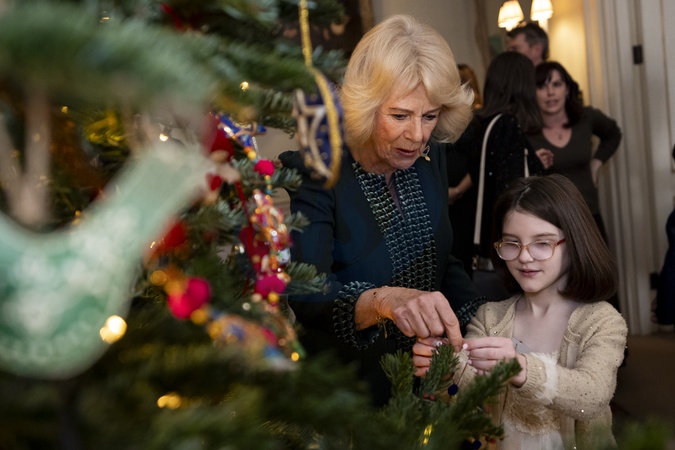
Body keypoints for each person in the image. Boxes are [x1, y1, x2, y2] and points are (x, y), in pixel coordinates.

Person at [279, 15, 485, 406]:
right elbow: (307, 294)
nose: (418, 135)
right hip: (351, 392)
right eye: (400, 115)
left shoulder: (429, 157)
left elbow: (442, 260)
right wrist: (384, 301)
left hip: (428, 380)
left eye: (430, 116)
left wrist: (484, 319)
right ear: (366, 106)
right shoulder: (318, 169)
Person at [413, 174, 628, 450]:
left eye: (542, 243)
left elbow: (593, 396)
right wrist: (446, 364)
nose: (524, 257)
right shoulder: (490, 318)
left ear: (575, 241)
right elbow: (474, 391)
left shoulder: (601, 321)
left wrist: (520, 368)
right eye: (512, 243)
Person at [467, 51, 552, 300]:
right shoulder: (508, 126)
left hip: (484, 258)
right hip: (506, 263)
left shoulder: (484, 125)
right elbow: (514, 195)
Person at [528, 62, 621, 273]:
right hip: (550, 223)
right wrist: (534, 164)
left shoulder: (585, 118)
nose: (550, 92)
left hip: (589, 215)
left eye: (557, 84)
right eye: (542, 86)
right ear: (533, 93)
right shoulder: (526, 130)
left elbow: (613, 133)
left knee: (600, 278)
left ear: (567, 89)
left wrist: (597, 162)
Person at [447, 64, 481, 276]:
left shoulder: (476, 119)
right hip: (444, 199)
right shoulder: (440, 116)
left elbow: (478, 163)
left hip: (466, 198)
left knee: (463, 252)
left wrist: (458, 190)